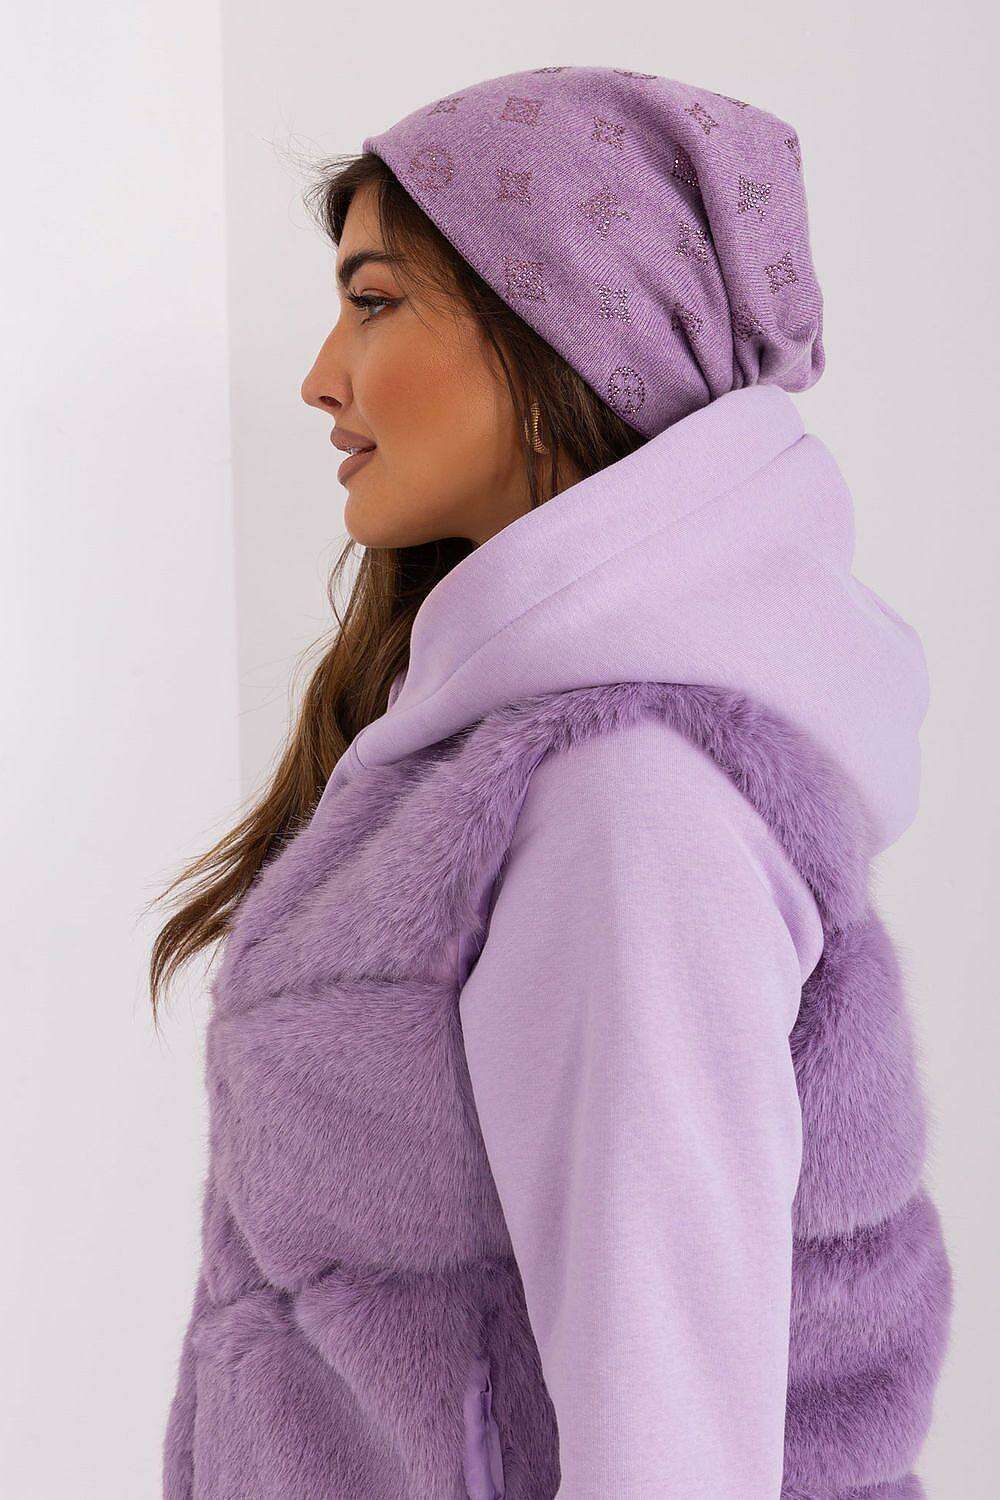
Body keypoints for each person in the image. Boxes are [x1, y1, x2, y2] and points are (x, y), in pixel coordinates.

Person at [155, 66, 952, 1499]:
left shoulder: (625, 807)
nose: (322, 375)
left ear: (562, 329)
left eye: (374, 300)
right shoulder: (502, 762)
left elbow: (671, 1449)